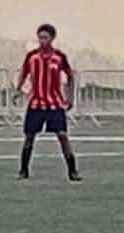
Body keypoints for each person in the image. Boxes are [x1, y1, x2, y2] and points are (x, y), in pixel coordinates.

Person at [16, 23, 80, 182]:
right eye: (40, 37)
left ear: (52, 38)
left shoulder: (59, 57)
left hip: (55, 104)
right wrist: (17, 90)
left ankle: (72, 170)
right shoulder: (32, 57)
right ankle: (23, 170)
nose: (42, 40)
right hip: (36, 103)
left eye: (45, 37)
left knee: (62, 135)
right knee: (29, 136)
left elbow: (71, 76)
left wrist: (70, 97)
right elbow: (23, 73)